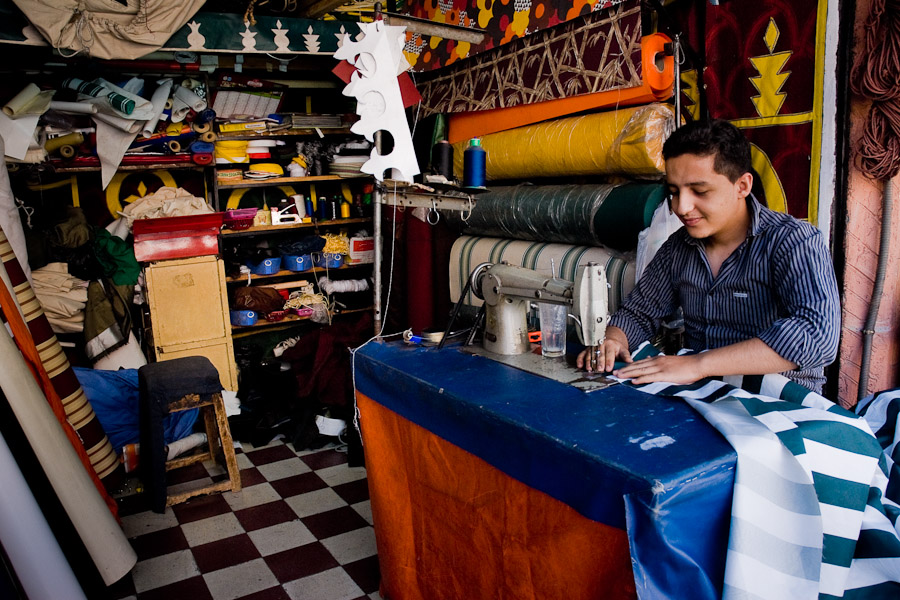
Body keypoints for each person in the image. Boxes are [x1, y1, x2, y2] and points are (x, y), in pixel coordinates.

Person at [576, 119, 840, 394]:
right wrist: (614, 339)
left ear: (742, 186)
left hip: (779, 401)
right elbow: (639, 313)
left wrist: (698, 364)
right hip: (705, 394)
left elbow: (816, 335)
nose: (682, 207)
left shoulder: (793, 242)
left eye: (699, 191)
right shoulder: (678, 248)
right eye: (674, 192)